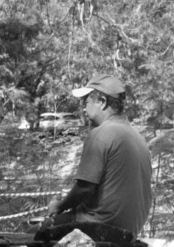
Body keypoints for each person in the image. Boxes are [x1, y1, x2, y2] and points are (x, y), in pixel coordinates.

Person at [47, 73, 152, 236]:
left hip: (98, 227)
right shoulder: (139, 139)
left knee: (36, 233)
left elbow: (84, 189)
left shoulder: (100, 134)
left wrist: (58, 206)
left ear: (102, 102)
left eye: (86, 101)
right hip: (129, 232)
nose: (83, 107)